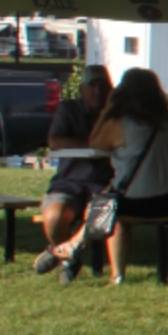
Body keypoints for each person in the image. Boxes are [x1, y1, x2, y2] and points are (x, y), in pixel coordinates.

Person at [68, 68, 168, 287]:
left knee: (107, 207)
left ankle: (111, 271)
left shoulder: (120, 123)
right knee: (110, 205)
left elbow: (94, 142)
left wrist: (107, 109)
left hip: (138, 201)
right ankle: (75, 244)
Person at [32, 65, 115, 277]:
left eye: (103, 86)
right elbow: (55, 141)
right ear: (82, 89)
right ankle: (69, 258)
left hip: (104, 184)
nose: (98, 91)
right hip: (70, 182)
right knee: (54, 216)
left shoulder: (116, 115)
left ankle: (59, 254)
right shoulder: (69, 109)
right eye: (92, 86)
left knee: (104, 212)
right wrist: (94, 146)